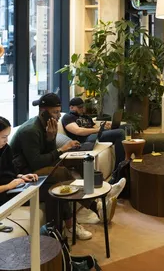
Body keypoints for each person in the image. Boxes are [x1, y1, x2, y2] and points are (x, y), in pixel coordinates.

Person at [10, 93, 126, 240]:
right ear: (42, 112)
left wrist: (51, 139)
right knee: (62, 173)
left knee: (79, 160)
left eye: (59, 111)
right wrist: (60, 149)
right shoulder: (30, 131)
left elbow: (48, 153)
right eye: (55, 112)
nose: (59, 116)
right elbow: (37, 162)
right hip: (26, 174)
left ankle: (100, 192)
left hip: (37, 167)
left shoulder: (46, 125)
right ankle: (94, 208)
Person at [61, 97, 125, 170]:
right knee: (120, 133)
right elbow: (78, 131)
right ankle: (119, 169)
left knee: (125, 127)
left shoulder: (86, 117)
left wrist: (104, 127)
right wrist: (99, 130)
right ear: (71, 107)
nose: (82, 109)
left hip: (95, 135)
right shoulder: (68, 117)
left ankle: (127, 163)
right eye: (79, 107)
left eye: (83, 107)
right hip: (86, 140)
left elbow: (95, 127)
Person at [0, 116, 39, 205]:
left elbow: (7, 172)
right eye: (4, 137)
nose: (6, 140)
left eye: (7, 136)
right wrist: (8, 186)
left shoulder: (6, 149)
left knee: (47, 188)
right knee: (46, 194)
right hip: (4, 192)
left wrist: (21, 176)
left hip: (11, 187)